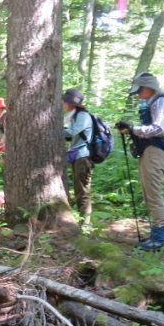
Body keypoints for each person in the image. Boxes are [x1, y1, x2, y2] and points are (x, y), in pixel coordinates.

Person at [116, 72, 164, 250]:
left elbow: (159, 129)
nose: (139, 94)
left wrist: (133, 129)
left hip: (156, 151)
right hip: (150, 151)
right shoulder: (152, 103)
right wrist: (131, 131)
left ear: (149, 88)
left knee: (154, 192)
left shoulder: (162, 101)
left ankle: (160, 237)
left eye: (140, 90)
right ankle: (156, 233)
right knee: (149, 192)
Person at [62, 88, 93, 226]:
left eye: (65, 101)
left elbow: (73, 132)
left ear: (71, 103)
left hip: (83, 156)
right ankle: (83, 222)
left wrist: (56, 129)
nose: (63, 104)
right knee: (79, 189)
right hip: (77, 156)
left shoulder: (83, 116)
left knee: (82, 190)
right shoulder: (74, 115)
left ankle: (85, 225)